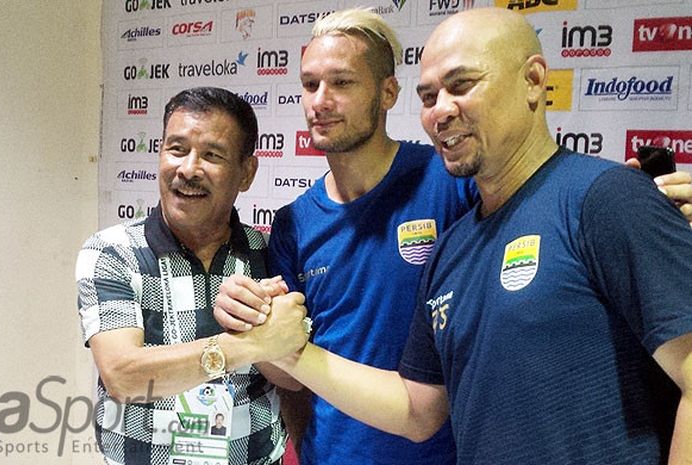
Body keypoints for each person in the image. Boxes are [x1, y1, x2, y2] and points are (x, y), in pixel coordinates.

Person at [215, 8, 692, 465]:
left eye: (461, 85)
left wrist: (646, 206)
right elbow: (416, 409)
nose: (441, 111)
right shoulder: (450, 246)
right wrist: (276, 341)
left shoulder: (594, 196)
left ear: (533, 81)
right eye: (428, 97)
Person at [216, 8, 477, 465]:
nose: (320, 100)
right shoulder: (293, 222)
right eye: (310, 83)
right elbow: (291, 374)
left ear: (388, 92)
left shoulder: (450, 181)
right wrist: (248, 327)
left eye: (342, 83)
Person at [75, 87, 310, 465]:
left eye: (212, 155)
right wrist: (246, 345)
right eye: (177, 149)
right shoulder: (112, 251)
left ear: (246, 173)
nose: (188, 169)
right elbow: (123, 375)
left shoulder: (268, 251)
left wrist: (272, 335)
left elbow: (294, 379)